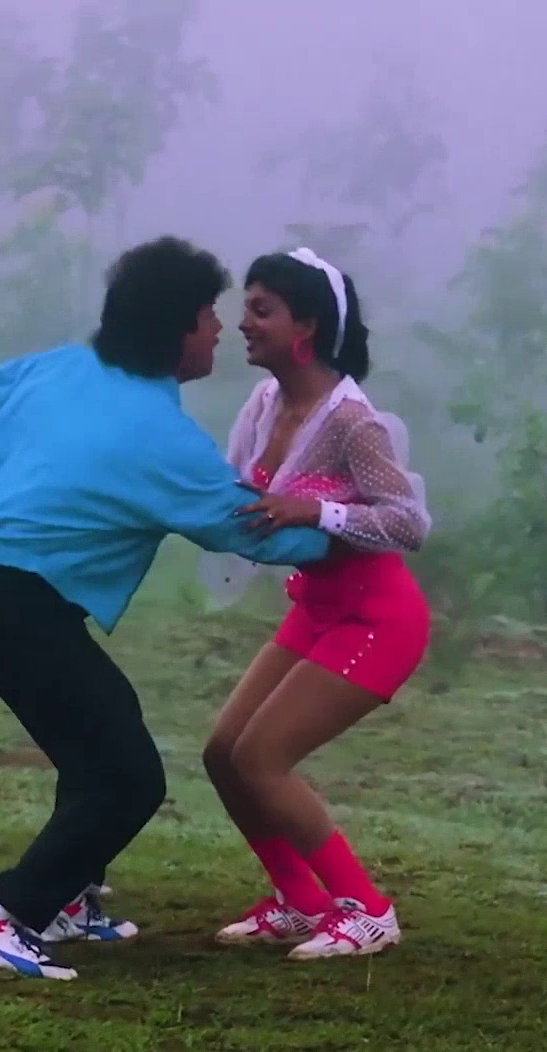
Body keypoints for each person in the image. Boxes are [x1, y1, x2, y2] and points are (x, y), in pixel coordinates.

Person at [0, 237, 335, 981]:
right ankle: (2, 917)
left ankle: (65, 900)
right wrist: (354, 531)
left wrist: (47, 445)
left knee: (100, 734)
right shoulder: (161, 439)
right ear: (174, 330)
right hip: (16, 605)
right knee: (127, 778)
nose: (220, 329)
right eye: (207, 314)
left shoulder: (59, 367)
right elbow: (251, 529)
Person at [198, 248, 431, 960]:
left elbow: (408, 522)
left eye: (261, 310)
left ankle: (368, 910)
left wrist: (316, 513)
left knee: (261, 757)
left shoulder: (351, 422)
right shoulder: (265, 403)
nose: (243, 323)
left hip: (379, 619)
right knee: (223, 754)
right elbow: (237, 491)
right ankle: (300, 901)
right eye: (245, 307)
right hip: (318, 609)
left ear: (306, 327)